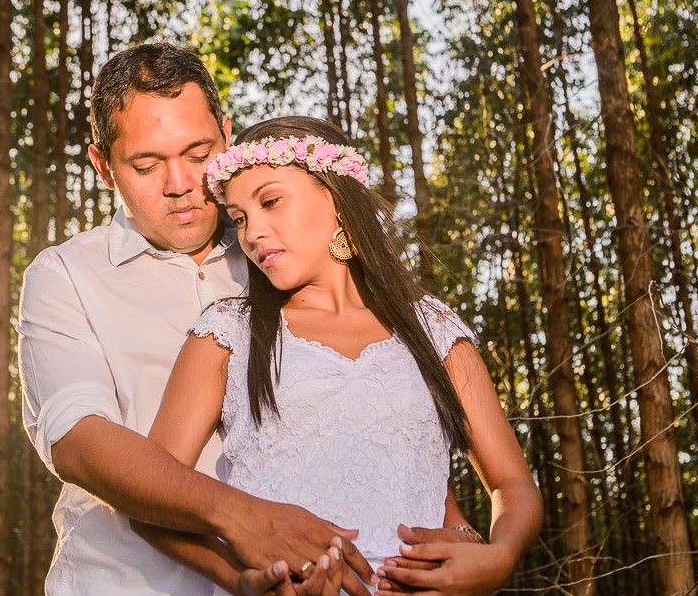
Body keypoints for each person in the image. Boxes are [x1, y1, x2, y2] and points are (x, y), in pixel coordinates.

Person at [17, 44, 459, 596]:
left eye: (198, 153)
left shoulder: (282, 252)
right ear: (103, 165)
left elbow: (383, 407)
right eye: (147, 165)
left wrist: (455, 528)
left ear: (227, 137)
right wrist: (241, 515)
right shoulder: (64, 275)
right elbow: (78, 441)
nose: (179, 183)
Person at [141, 116, 543, 595]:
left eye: (270, 201)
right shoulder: (227, 333)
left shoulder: (432, 329)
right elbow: (151, 499)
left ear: (335, 196)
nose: (252, 233)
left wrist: (498, 558)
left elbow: (512, 484)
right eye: (240, 218)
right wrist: (239, 579)